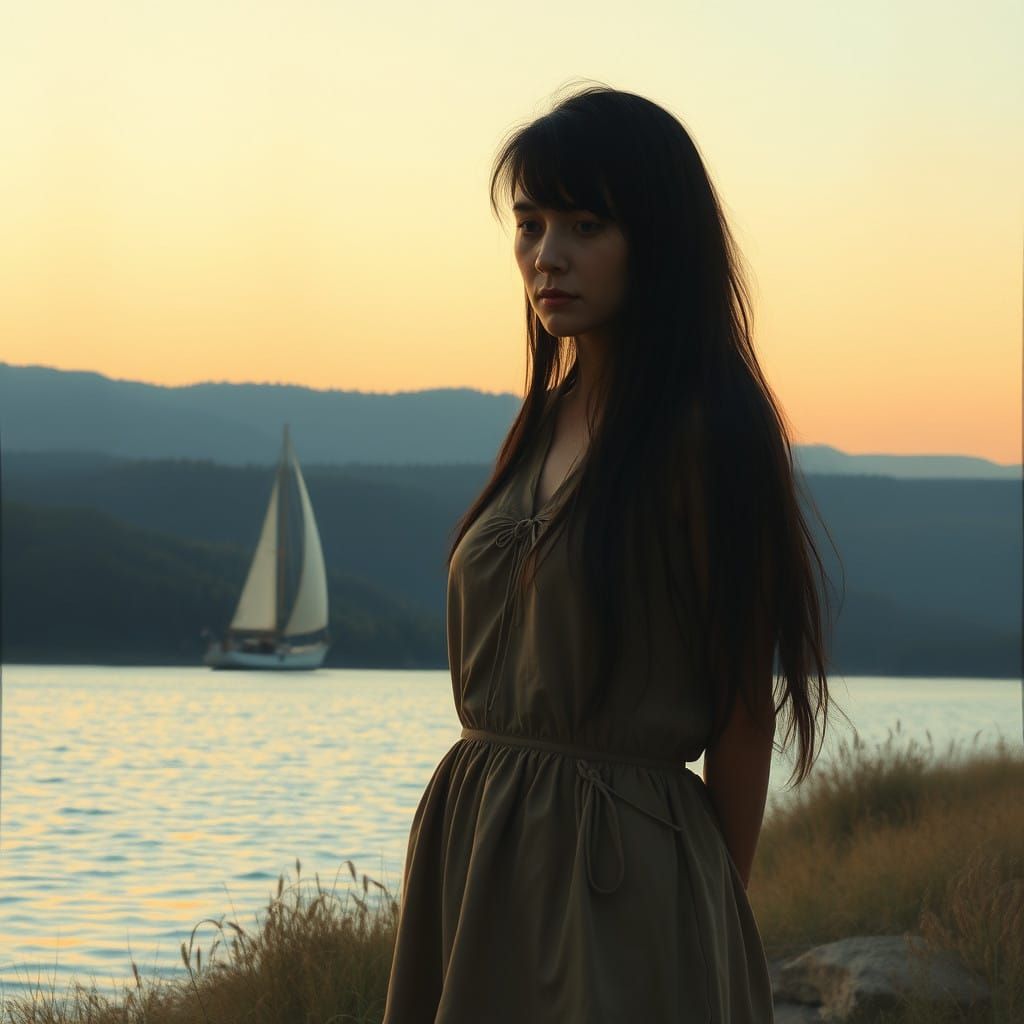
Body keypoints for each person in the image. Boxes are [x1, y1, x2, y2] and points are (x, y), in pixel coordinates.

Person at [382, 82, 840, 1023]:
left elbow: (742, 714)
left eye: (585, 225)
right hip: (478, 844)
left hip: (621, 878)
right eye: (530, 224)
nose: (547, 255)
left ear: (658, 239)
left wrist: (701, 916)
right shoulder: (541, 422)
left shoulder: (708, 434)